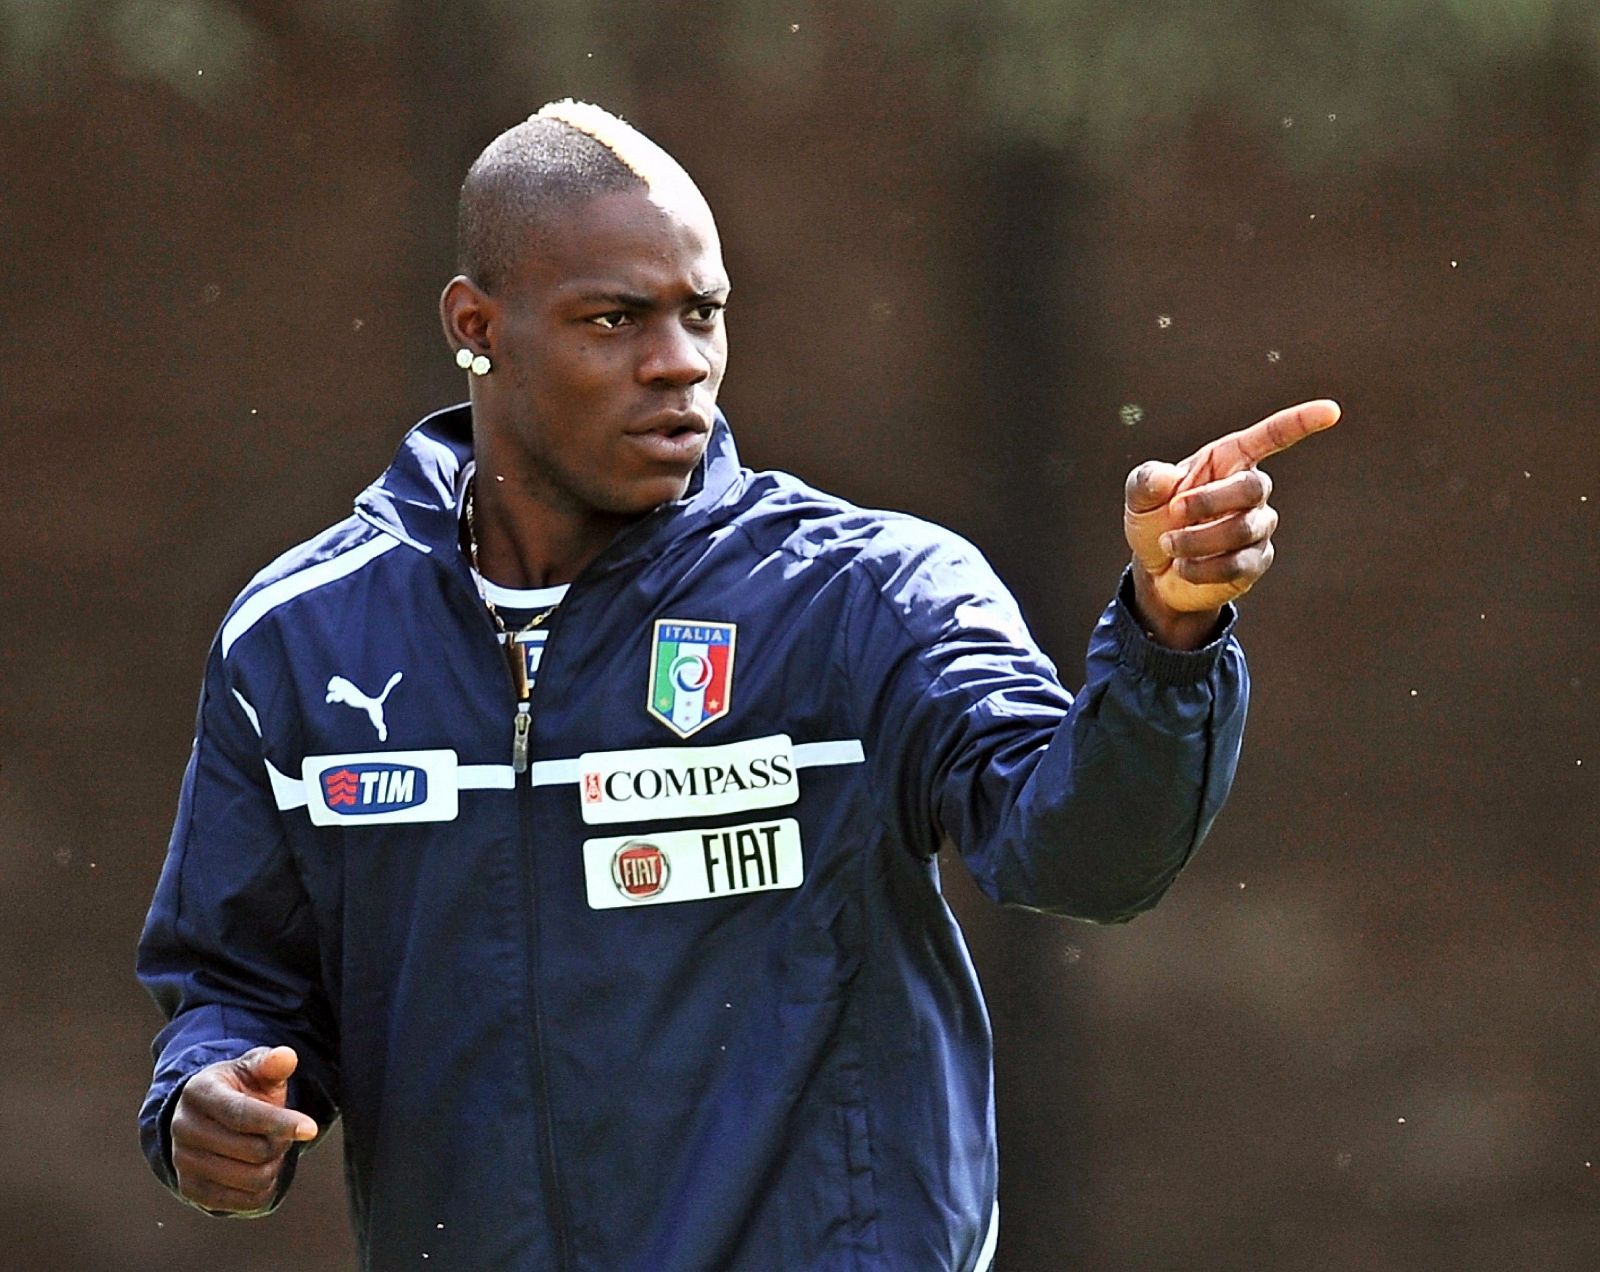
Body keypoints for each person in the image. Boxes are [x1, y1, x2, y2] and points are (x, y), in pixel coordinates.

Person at [137, 99, 1337, 1271]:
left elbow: (1080, 857)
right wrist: (208, 1099)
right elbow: (237, 980)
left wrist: (1169, 631)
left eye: (701, 313)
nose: (679, 365)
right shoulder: (298, 641)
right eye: (614, 320)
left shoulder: (865, 597)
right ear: (479, 325)